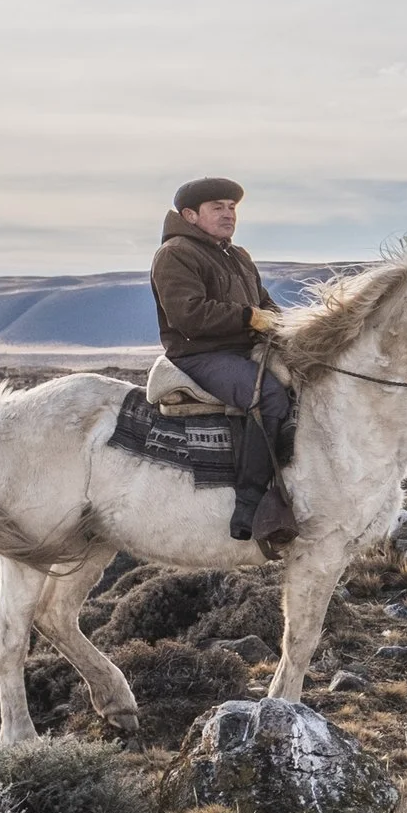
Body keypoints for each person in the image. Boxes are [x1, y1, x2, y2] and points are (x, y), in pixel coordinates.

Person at [150, 177, 297, 551]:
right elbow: (188, 315)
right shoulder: (176, 254)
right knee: (268, 396)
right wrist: (249, 318)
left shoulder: (238, 255)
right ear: (190, 215)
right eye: (217, 207)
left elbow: (265, 304)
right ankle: (250, 506)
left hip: (243, 349)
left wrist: (281, 324)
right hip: (201, 354)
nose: (229, 214)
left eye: (232, 207)